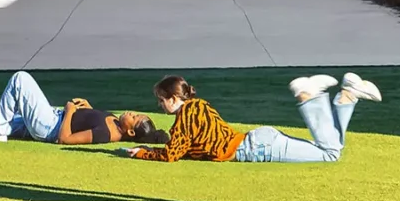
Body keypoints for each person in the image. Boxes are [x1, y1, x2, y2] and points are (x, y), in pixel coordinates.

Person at [128, 71, 381, 164]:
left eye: (162, 100)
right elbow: (184, 144)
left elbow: (173, 154)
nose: (160, 105)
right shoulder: (200, 105)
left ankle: (312, 97)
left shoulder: (185, 117)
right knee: (331, 148)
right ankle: (347, 96)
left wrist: (142, 152)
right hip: (258, 141)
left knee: (330, 154)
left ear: (173, 98)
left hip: (257, 148)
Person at [0, 71, 165, 146]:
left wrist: (70, 111)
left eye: (134, 117)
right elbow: (91, 120)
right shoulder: (115, 123)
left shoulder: (105, 133)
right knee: (9, 121)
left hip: (50, 126)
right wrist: (88, 108)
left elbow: (64, 139)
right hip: (54, 118)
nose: (131, 113)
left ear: (130, 131)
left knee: (20, 79)